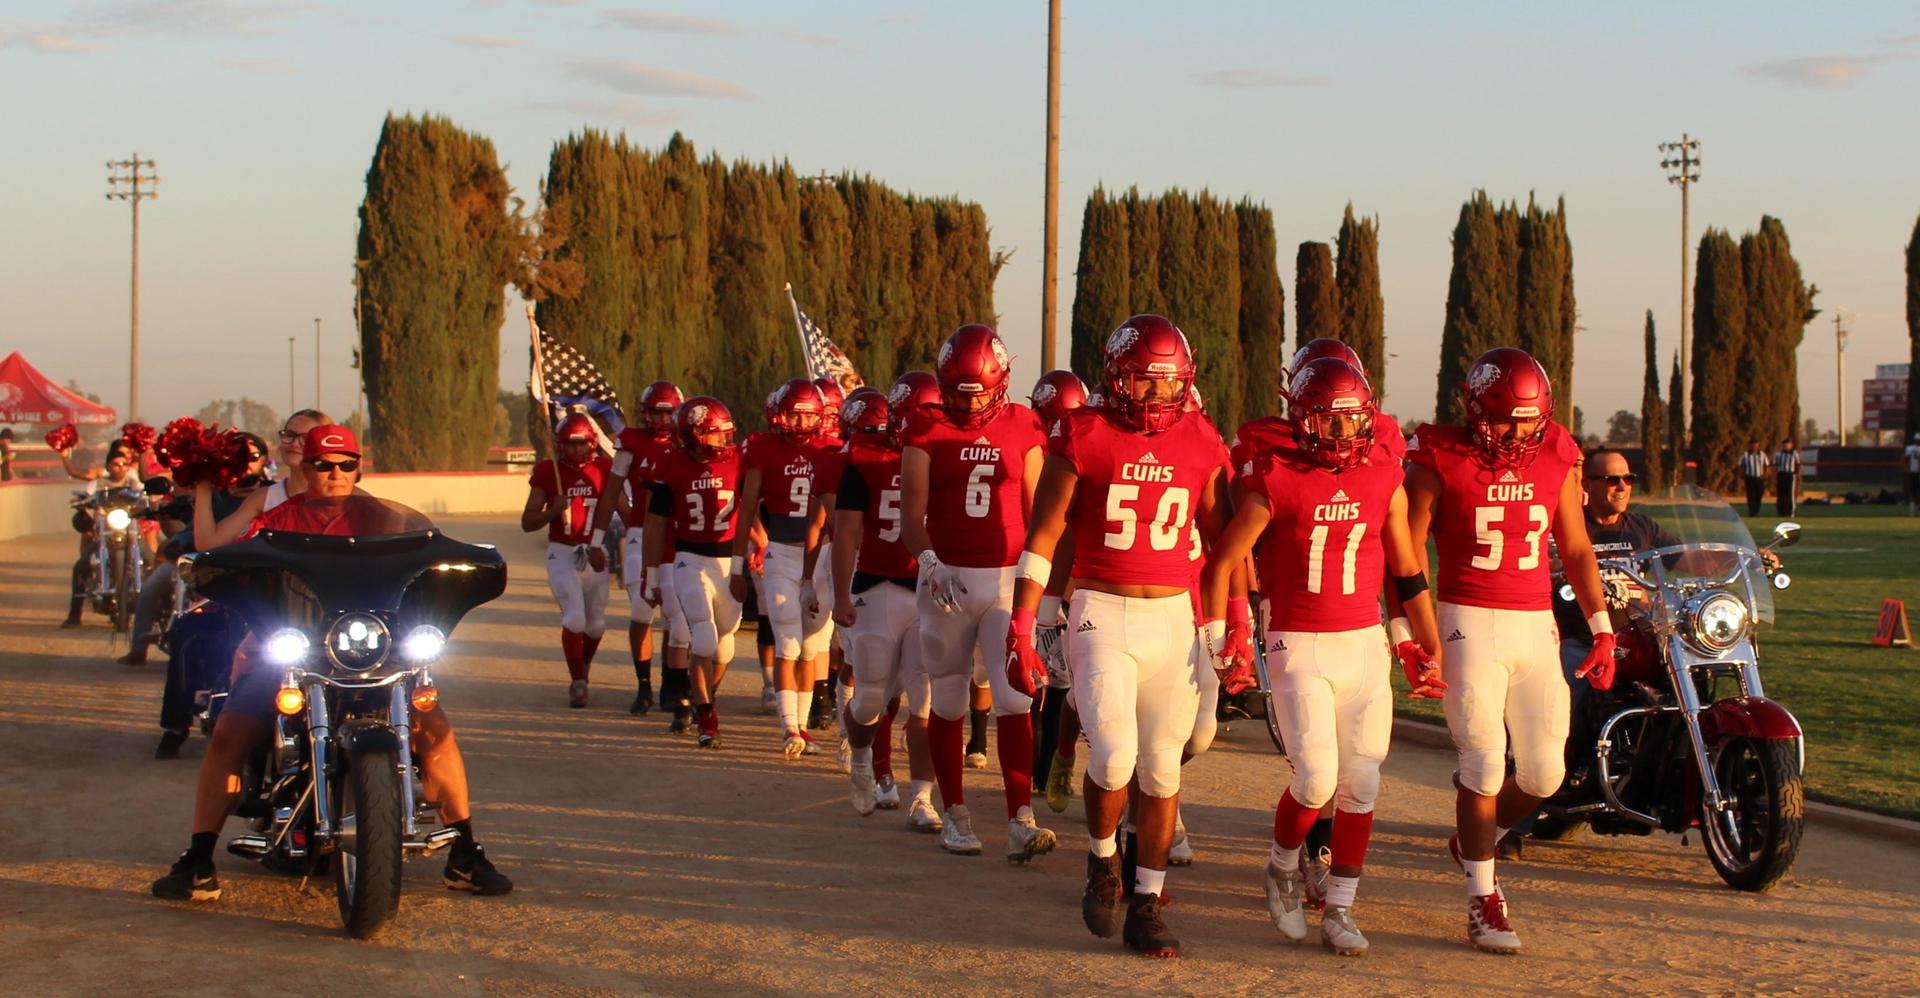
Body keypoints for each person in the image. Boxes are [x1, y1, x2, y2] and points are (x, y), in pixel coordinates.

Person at [151, 424, 511, 901]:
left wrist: (465, 564)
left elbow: (432, 548)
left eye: (345, 465)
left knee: (434, 728)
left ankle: (465, 852)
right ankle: (198, 859)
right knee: (230, 731)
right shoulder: (277, 522)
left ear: (359, 466)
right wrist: (220, 571)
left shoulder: (388, 519)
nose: (335, 474)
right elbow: (223, 554)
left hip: (374, 653)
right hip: (295, 652)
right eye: (323, 465)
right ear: (305, 467)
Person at [1008, 315, 1230, 957]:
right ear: (1116, 379)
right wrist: (1025, 622)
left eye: (1167, 384)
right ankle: (1104, 859)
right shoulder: (1085, 433)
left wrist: (1233, 619)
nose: (1157, 397)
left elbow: (1222, 543)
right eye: (1142, 382)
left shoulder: (1200, 437)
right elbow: (1044, 536)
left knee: (1162, 769)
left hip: (1174, 619)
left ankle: (1148, 903)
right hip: (1101, 608)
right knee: (1112, 756)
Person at [1205, 356, 1441, 956]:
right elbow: (1223, 561)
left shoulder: (1383, 470)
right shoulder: (1276, 474)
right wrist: (1220, 635)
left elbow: (1407, 564)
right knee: (1314, 780)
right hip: (1299, 639)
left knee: (1361, 782)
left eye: (1352, 420)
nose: (1343, 434)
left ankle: (1340, 907)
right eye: (1329, 422)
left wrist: (1421, 639)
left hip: (1363, 641)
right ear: (1302, 419)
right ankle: (1282, 866)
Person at [1403, 347, 1612, 955]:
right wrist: (1416, 634)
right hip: (1468, 618)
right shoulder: (1438, 454)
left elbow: (1574, 546)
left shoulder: (1557, 451)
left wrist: (1600, 627)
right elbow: (1409, 549)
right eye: (1504, 419)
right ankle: (1482, 895)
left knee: (1546, 772)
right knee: (1484, 762)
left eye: (1528, 420)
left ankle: (1476, 836)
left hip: (1535, 622)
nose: (1518, 433)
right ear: (1474, 410)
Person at [1499, 448, 1780, 854]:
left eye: (1627, 479)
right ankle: (1513, 825)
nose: (1621, 487)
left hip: (1639, 638)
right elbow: (1536, 559)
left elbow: (1690, 559)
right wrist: (1555, 566)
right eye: (1611, 480)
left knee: (1695, 687)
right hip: (1580, 639)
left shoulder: (1642, 528)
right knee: (1558, 713)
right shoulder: (1569, 528)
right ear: (1586, 485)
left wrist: (1746, 558)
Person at [899, 323, 1054, 861]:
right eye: (959, 394)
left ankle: (1020, 818)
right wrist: (929, 560)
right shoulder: (925, 424)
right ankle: (957, 814)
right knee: (947, 696)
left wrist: (1045, 586)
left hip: (1008, 578)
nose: (969, 407)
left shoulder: (1024, 425)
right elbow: (909, 514)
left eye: (980, 393)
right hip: (946, 578)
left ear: (1002, 383)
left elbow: (1039, 516)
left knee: (1013, 696)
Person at [729, 379, 833, 756]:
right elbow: (748, 506)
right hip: (779, 554)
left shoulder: (832, 448)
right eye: (794, 414)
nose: (802, 424)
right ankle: (789, 727)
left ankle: (802, 727)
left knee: (810, 648)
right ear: (779, 414)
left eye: (809, 416)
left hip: (821, 558)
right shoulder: (761, 448)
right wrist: (737, 563)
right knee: (787, 640)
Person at [587, 382, 697, 722]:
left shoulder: (691, 440)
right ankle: (644, 684)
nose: (663, 419)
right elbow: (611, 493)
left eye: (669, 411)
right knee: (641, 610)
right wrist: (596, 539)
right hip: (640, 532)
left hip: (679, 537)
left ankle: (671, 684)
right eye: (657, 411)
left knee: (677, 615)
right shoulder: (632, 443)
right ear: (644, 412)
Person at [643, 397, 745, 750]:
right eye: (717, 434)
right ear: (697, 434)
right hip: (690, 559)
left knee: (725, 643)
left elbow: (750, 512)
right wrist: (653, 577)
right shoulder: (670, 464)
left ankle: (705, 699)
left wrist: (755, 552)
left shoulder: (739, 460)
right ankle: (706, 717)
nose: (724, 440)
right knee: (702, 639)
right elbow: (655, 526)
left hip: (728, 560)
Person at [521, 412, 613, 708]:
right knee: (575, 618)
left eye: (581, 444)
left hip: (596, 549)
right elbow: (528, 521)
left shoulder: (606, 468)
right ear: (560, 445)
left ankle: (583, 669)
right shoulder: (549, 472)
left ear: (593, 442)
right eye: (570, 444)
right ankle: (578, 681)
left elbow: (620, 509)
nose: (576, 450)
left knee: (596, 625)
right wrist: (552, 511)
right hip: (562, 551)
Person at [59, 440, 147, 627]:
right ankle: (74, 614)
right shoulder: (99, 484)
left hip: (129, 534)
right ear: (108, 466)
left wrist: (150, 499)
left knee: (151, 560)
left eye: (124, 464)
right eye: (116, 464)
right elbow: (86, 495)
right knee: (81, 566)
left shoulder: (133, 483)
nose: (120, 468)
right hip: (105, 534)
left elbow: (144, 494)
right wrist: (81, 501)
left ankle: (152, 614)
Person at [1738, 442, 1770, 518]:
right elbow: (1740, 466)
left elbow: (1767, 466)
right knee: (1751, 495)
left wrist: (1766, 476)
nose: (1755, 447)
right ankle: (1752, 512)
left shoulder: (1762, 455)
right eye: (1753, 445)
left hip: (1759, 478)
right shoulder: (1746, 455)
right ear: (1750, 446)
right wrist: (1741, 477)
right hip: (1750, 478)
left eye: (1756, 445)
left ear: (1758, 446)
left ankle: (1756, 510)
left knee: (1759, 494)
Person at [1771, 438, 1800, 516]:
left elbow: (1798, 465)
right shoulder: (1778, 454)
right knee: (1781, 494)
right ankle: (1781, 512)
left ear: (1791, 445)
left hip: (1790, 474)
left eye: (1788, 444)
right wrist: (1774, 476)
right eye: (1785, 444)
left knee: (1790, 494)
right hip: (1781, 474)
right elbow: (1774, 465)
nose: (1786, 445)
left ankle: (1791, 512)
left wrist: (1797, 474)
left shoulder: (1794, 453)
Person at [1906, 433, 1920, 517]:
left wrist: (1907, 469)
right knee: (1914, 493)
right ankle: (1913, 512)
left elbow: (1904, 460)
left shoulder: (1909, 448)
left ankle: (1912, 512)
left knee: (1913, 493)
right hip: (1916, 472)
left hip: (1913, 472)